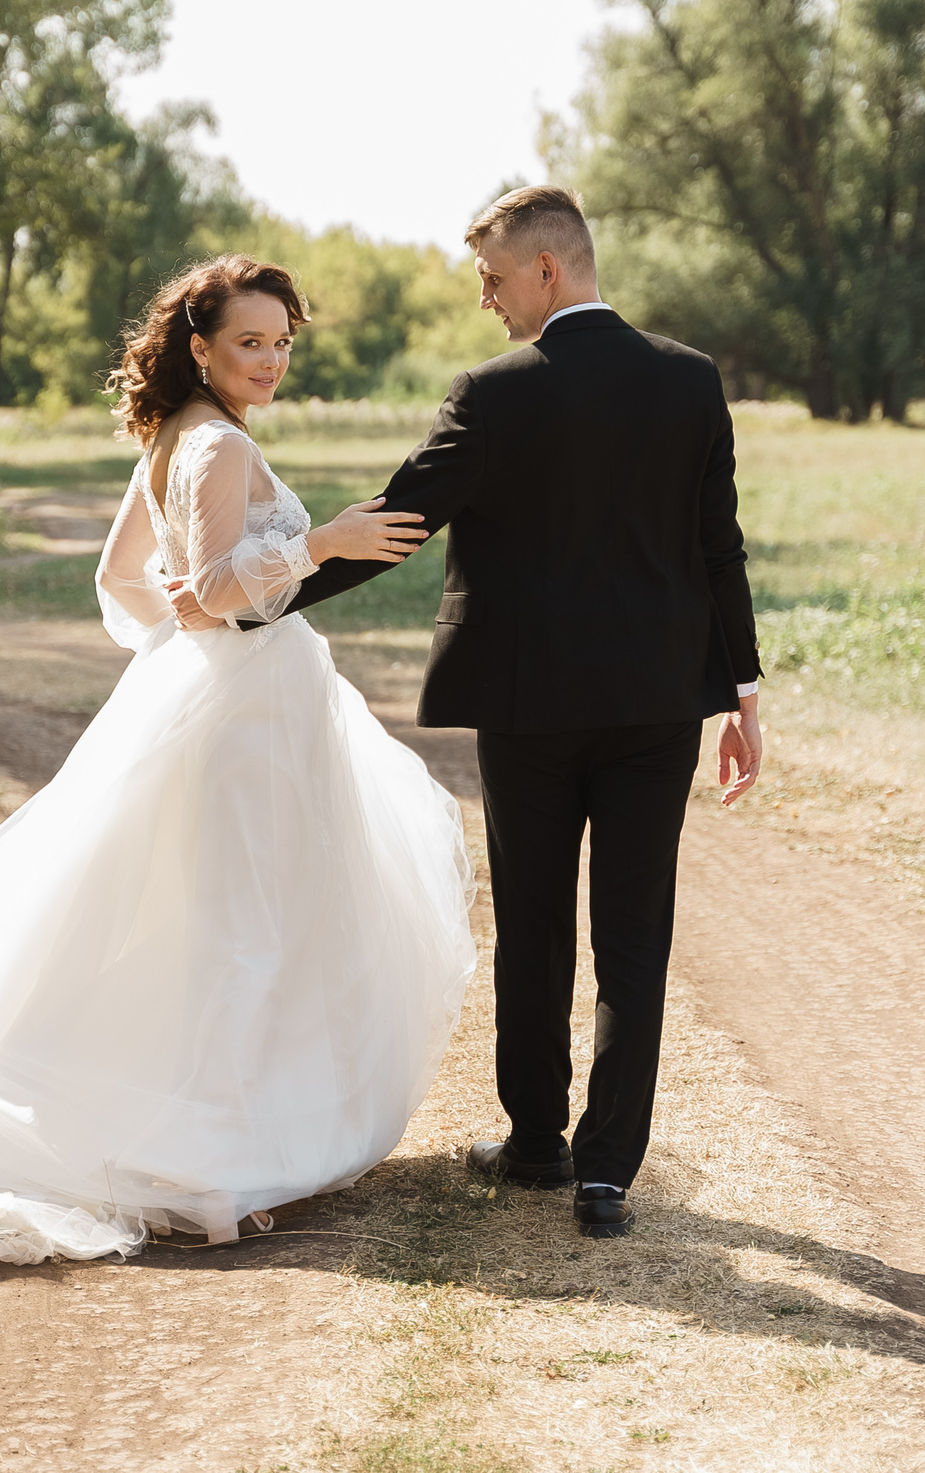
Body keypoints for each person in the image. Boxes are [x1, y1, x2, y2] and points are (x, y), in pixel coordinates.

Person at [0, 254, 475, 1271]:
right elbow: (214, 586)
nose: (269, 361)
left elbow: (123, 578)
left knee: (225, 917)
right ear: (199, 347)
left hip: (222, 697)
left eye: (281, 343)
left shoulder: (173, 439)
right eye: (249, 343)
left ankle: (223, 1134)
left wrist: (181, 641)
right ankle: (217, 1156)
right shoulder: (211, 445)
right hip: (246, 714)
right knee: (244, 924)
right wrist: (320, 545)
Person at [179, 186, 762, 1239]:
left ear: (548, 269)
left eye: (493, 277)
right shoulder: (689, 381)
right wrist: (745, 693)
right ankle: (606, 1175)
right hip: (658, 705)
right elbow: (718, 544)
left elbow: (396, 524)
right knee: (636, 933)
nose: (487, 299)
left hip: (528, 707)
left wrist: (256, 609)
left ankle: (537, 1141)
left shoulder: (494, 394)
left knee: (534, 921)